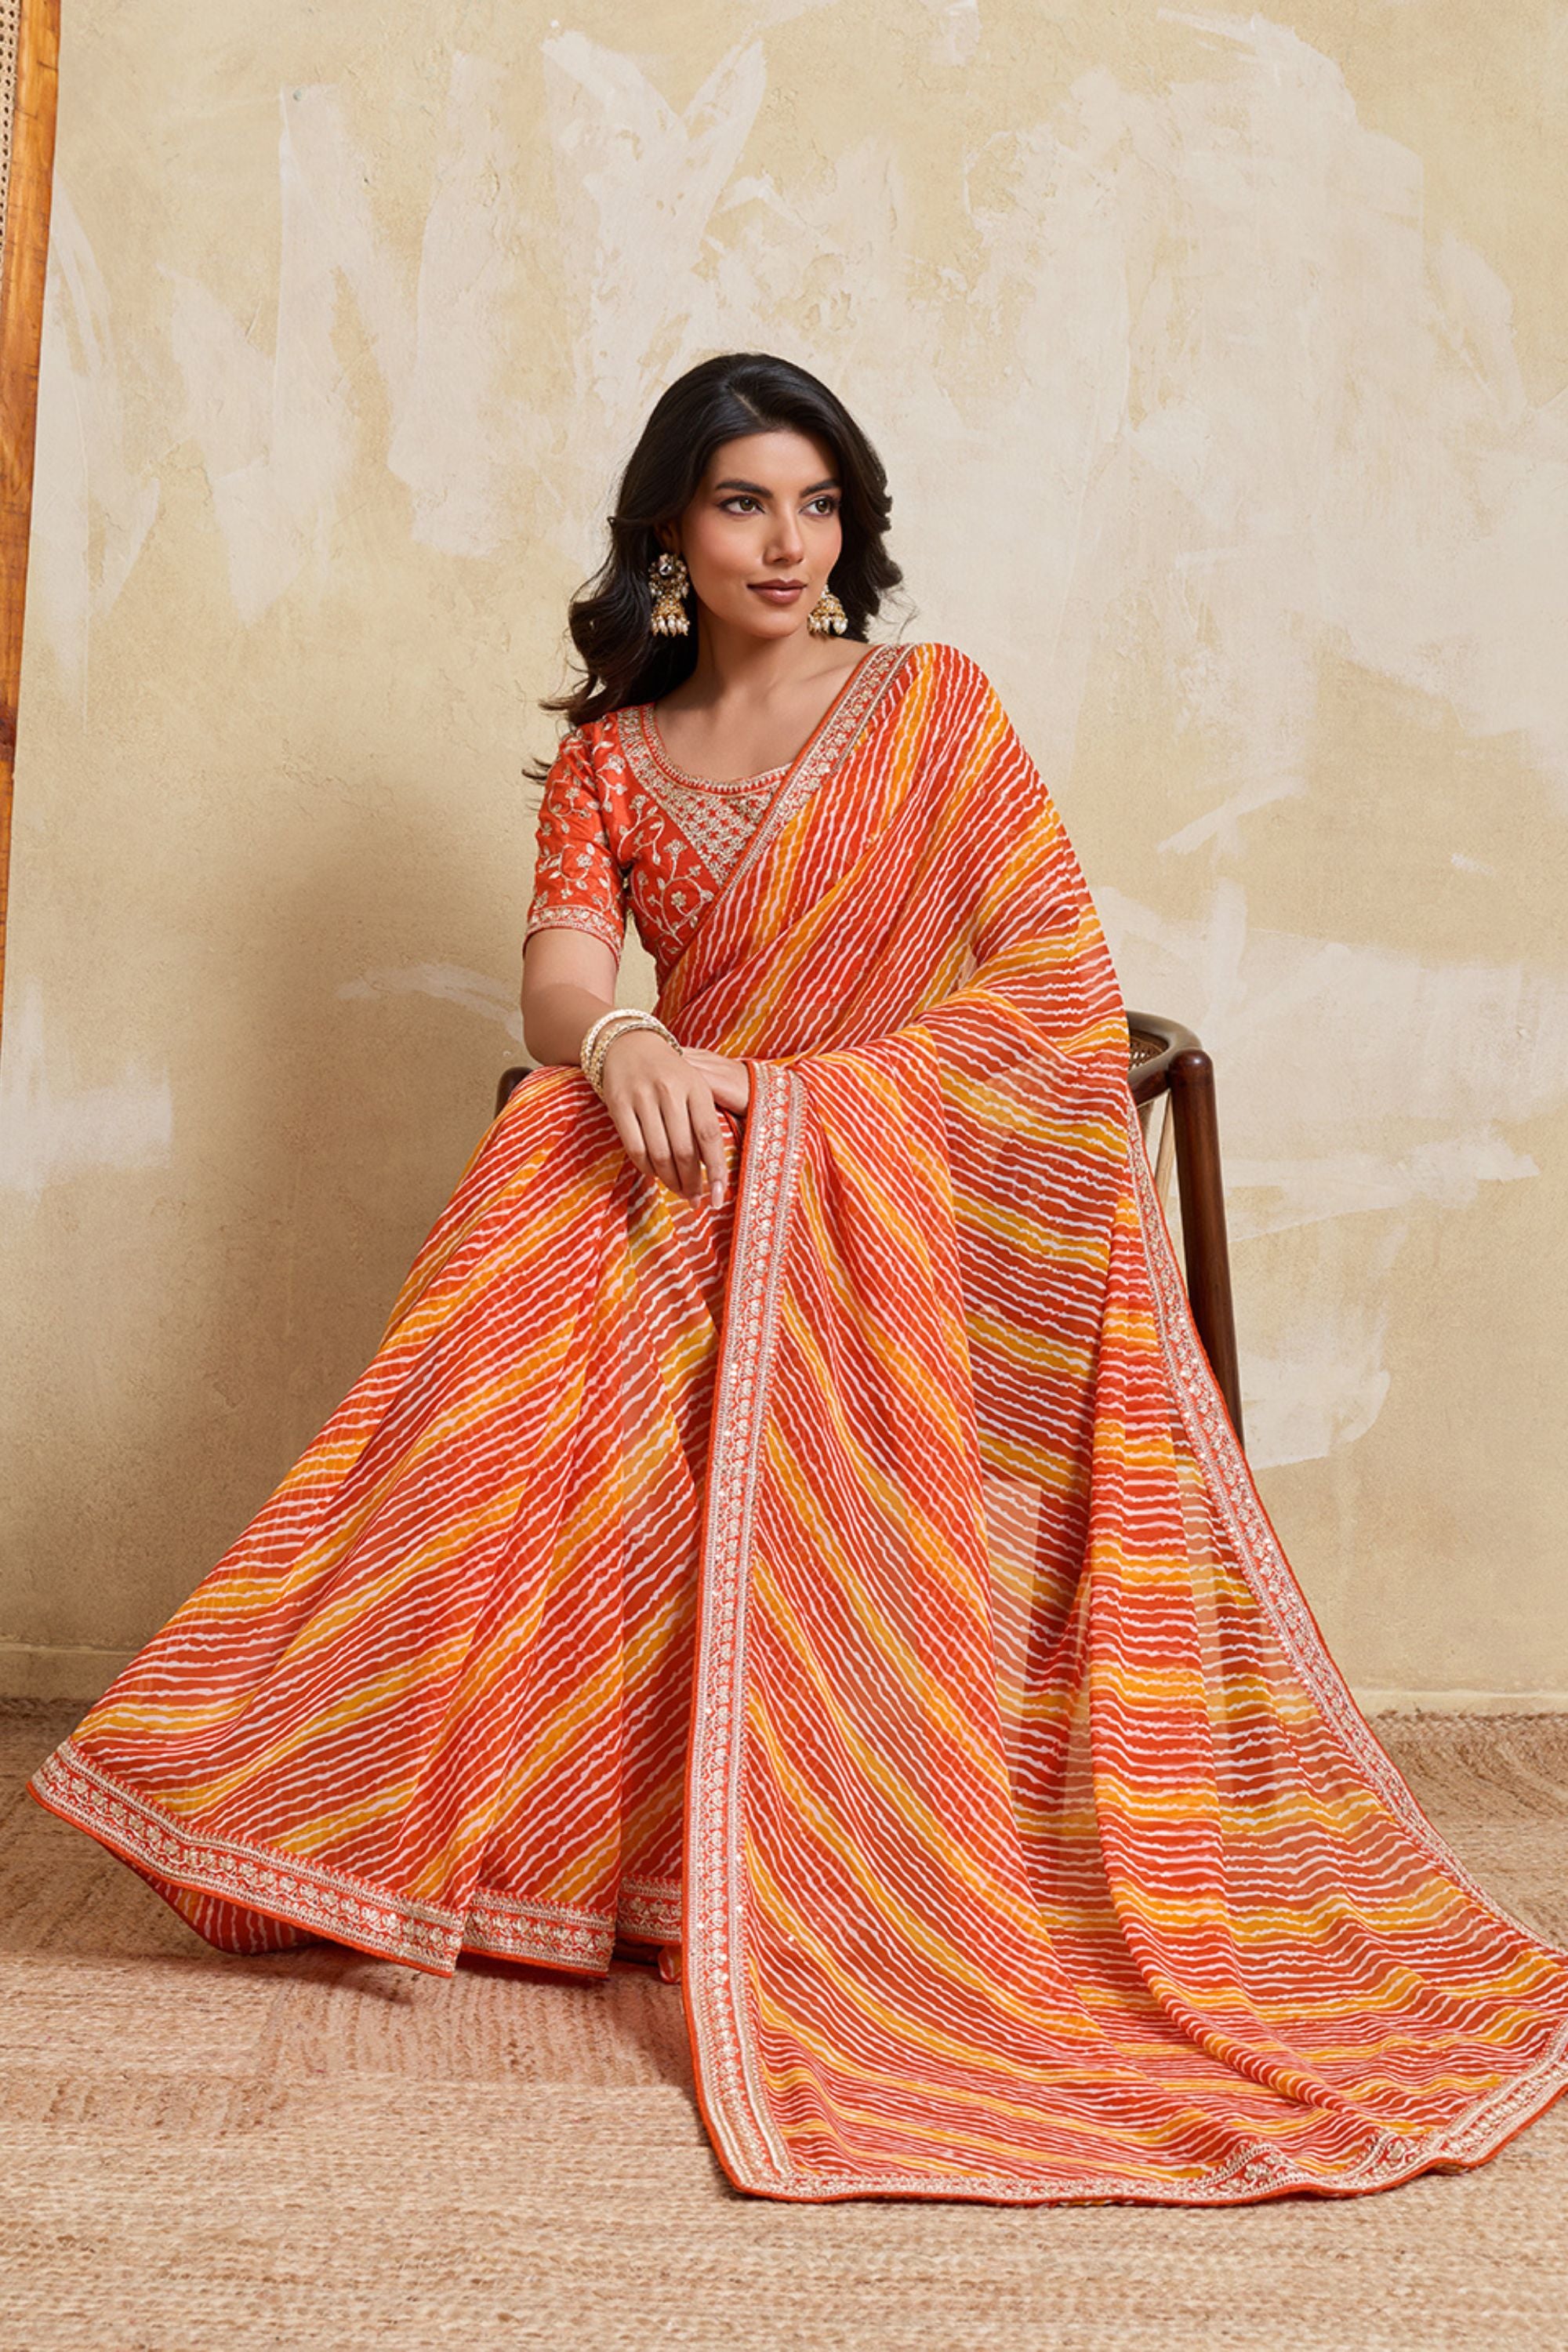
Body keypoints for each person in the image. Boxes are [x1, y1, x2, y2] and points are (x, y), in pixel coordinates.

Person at [31, 353, 1568, 2206]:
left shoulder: (931, 706)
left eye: (819, 503)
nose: (787, 541)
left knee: (585, 1246)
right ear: (669, 532)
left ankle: (549, 1793)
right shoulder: (613, 760)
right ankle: (400, 1779)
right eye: (744, 501)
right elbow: (559, 975)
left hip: (918, 1176)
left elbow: (1052, 975)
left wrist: (803, 1107)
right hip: (704, 1162)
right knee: (551, 1162)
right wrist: (622, 1046)